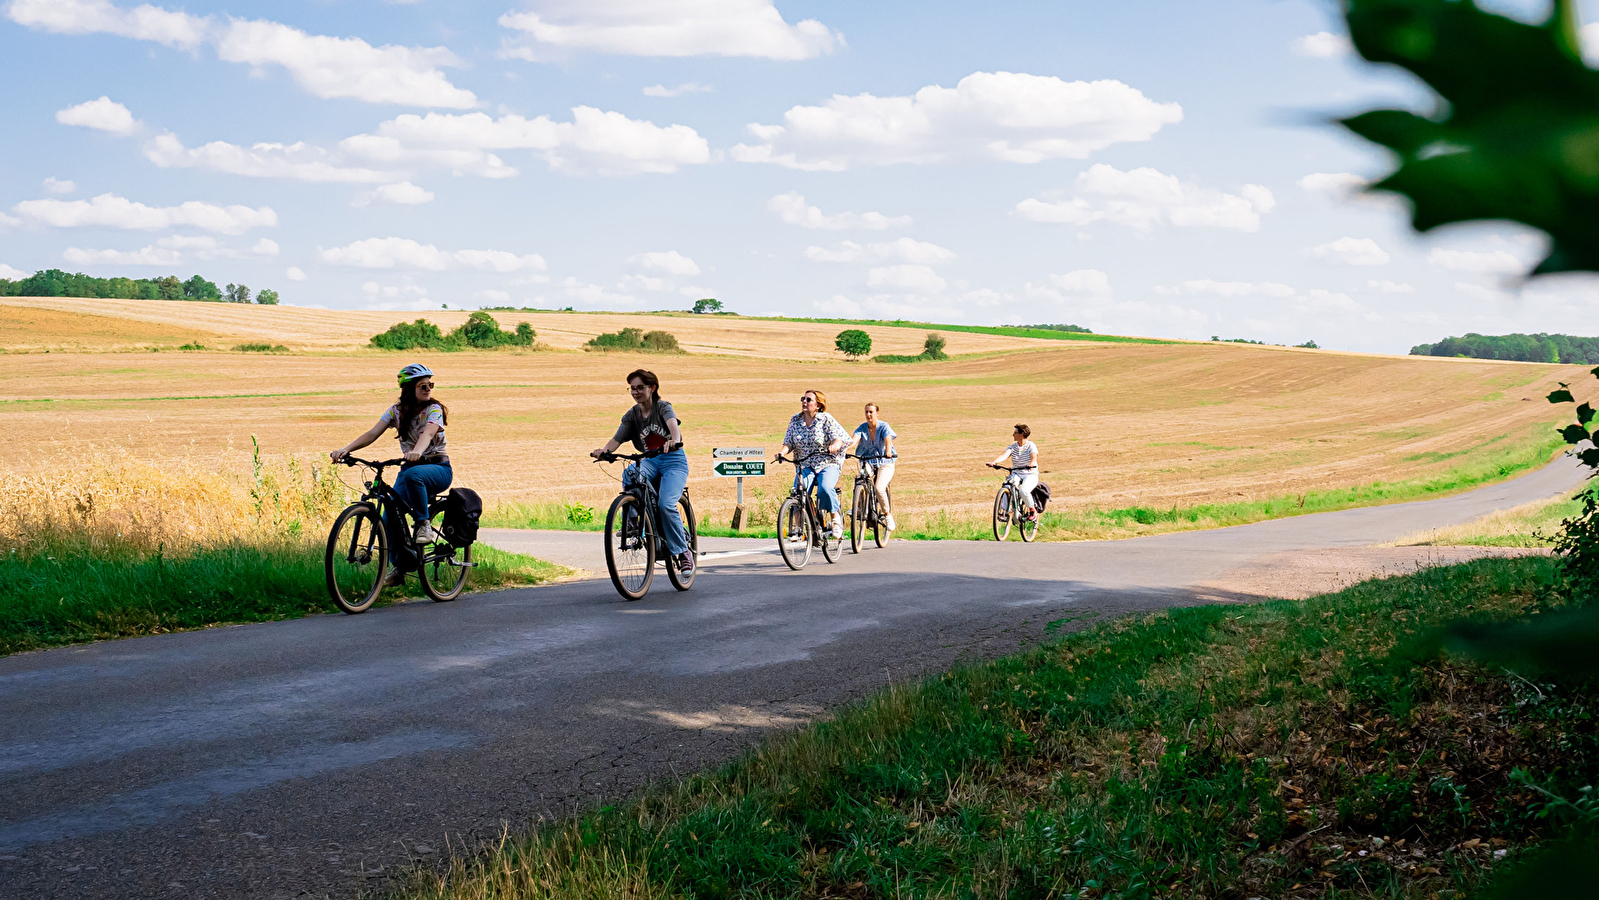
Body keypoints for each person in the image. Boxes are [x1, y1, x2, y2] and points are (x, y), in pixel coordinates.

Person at [330, 363, 452, 588]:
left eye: (430, 385)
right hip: (410, 471)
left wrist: (417, 451)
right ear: (409, 388)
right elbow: (372, 433)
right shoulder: (396, 411)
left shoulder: (434, 409)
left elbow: (428, 433)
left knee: (413, 475)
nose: (428, 389)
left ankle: (423, 523)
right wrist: (346, 450)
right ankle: (400, 567)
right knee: (388, 519)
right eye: (423, 385)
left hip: (438, 468)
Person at [591, 369, 693, 574]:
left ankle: (683, 553)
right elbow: (617, 439)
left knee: (666, 504)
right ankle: (632, 523)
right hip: (650, 460)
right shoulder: (632, 415)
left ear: (652, 388)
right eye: (632, 388)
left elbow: (673, 425)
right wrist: (604, 451)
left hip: (673, 461)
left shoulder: (662, 407)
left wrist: (675, 440)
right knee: (630, 473)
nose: (635, 392)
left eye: (640, 387)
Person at [779, 389, 849, 539]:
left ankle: (835, 519)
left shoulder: (826, 419)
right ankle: (798, 528)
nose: (804, 402)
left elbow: (838, 438)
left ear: (818, 405)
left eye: (808, 400)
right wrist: (782, 452)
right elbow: (789, 442)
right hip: (805, 464)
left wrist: (835, 445)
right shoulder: (795, 420)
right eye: (803, 399)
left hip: (827, 462)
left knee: (825, 488)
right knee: (798, 493)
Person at [846, 401, 897, 531]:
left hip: (885, 461)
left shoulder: (884, 426)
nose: (868, 414)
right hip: (867, 460)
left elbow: (888, 438)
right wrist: (845, 448)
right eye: (866, 412)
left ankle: (887, 515)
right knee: (861, 478)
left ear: (877, 413)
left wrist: (888, 451)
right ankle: (859, 507)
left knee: (879, 488)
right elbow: (854, 440)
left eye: (871, 412)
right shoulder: (862, 428)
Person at [988, 423, 1040, 522]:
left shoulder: (1031, 445)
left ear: (1021, 434)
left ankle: (1032, 510)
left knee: (1024, 491)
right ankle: (1004, 511)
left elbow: (1034, 456)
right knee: (1007, 486)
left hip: (1030, 474)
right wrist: (994, 462)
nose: (1013, 435)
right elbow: (1004, 455)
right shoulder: (1012, 447)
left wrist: (1031, 464)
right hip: (1016, 473)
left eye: (1015, 433)